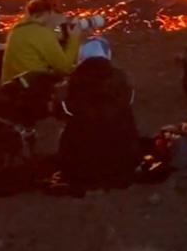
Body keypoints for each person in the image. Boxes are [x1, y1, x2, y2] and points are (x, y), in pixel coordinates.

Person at [57, 38, 141, 190]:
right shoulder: (120, 78)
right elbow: (128, 103)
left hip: (82, 169)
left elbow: (63, 111)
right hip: (122, 163)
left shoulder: (74, 81)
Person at [1, 0, 83, 82]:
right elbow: (64, 68)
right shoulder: (42, 33)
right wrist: (74, 38)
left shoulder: (16, 31)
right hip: (32, 88)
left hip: (11, 87)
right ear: (48, 13)